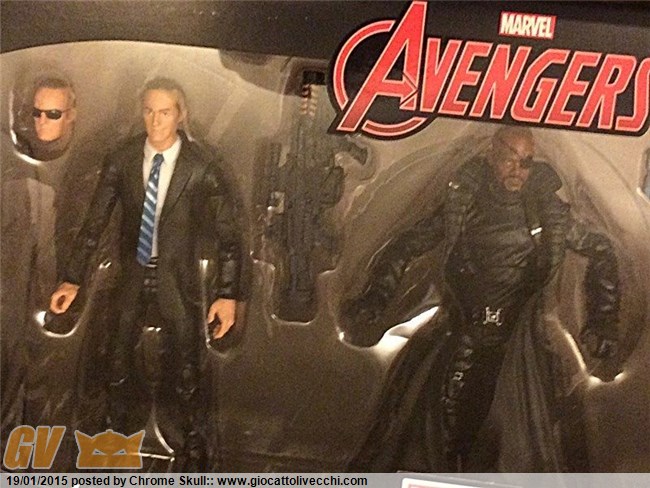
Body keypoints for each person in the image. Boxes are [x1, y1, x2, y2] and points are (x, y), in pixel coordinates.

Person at [344, 126, 620, 472]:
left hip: (517, 343)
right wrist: (376, 298)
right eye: (509, 159)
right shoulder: (463, 205)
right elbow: (406, 245)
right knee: (423, 431)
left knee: (523, 443)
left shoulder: (548, 215)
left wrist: (603, 320)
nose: (517, 170)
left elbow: (602, 250)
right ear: (492, 155)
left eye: (526, 162)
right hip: (461, 331)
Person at [49, 77, 242, 470]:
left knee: (187, 367)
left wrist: (227, 294)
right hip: (132, 275)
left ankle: (192, 446)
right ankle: (113, 435)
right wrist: (73, 278)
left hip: (178, 281)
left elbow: (229, 236)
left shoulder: (201, 167)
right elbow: (95, 223)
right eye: (149, 111)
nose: (156, 121)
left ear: (180, 114)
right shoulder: (122, 159)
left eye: (165, 112)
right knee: (116, 358)